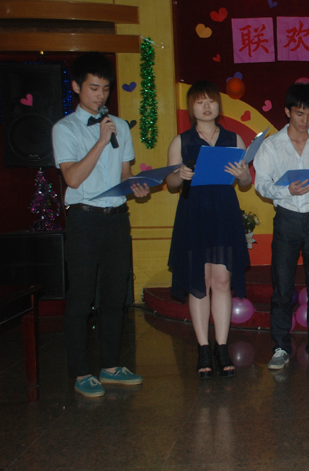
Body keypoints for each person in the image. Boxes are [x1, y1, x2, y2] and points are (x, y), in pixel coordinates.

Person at [52, 52, 150, 398]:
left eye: (106, 89)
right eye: (94, 88)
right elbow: (73, 178)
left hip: (117, 219)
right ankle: (81, 371)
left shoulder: (120, 126)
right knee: (81, 298)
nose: (101, 95)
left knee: (114, 296)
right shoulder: (64, 129)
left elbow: (124, 175)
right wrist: (100, 140)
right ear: (76, 87)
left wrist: (137, 187)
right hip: (84, 220)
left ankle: (110, 366)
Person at [165, 81, 251, 378]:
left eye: (211, 101)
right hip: (194, 213)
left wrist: (243, 174)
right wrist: (179, 174)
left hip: (224, 213)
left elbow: (245, 183)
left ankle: (222, 346)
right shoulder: (182, 141)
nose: (206, 106)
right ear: (191, 107)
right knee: (199, 280)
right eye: (200, 101)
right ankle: (203, 347)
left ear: (218, 105)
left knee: (222, 280)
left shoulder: (233, 139)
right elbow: (171, 184)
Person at [254, 83, 309, 370]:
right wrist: (286, 189)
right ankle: (281, 346)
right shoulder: (271, 145)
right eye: (300, 113)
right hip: (287, 218)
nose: (305, 120)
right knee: (282, 287)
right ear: (287, 111)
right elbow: (261, 184)